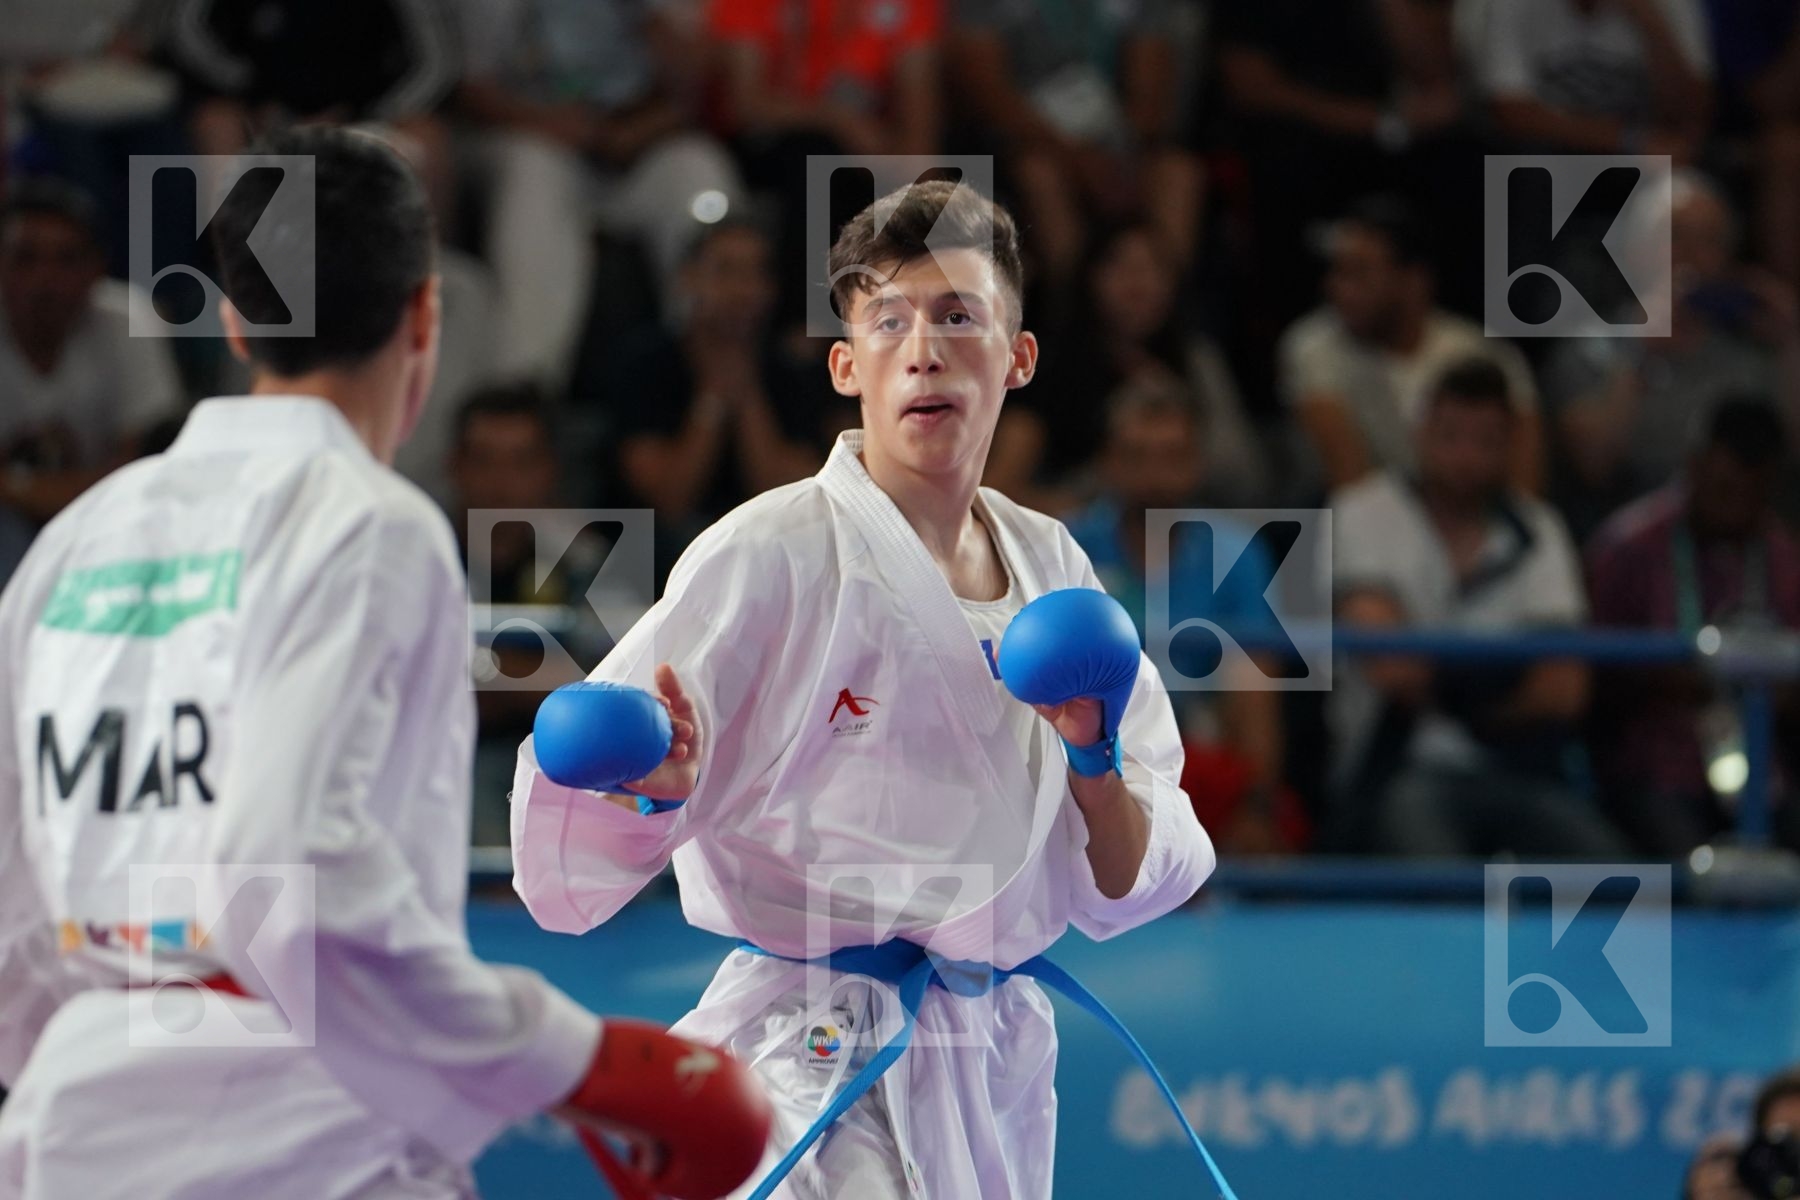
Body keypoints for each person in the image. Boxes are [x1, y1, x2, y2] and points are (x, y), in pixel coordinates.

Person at [0, 126, 768, 1200]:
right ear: (424, 315)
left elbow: (13, 901)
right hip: (304, 1122)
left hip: (73, 1115)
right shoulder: (366, 525)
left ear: (235, 318)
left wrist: (74, 1080)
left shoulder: (77, 542)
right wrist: (573, 1061)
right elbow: (285, 861)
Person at [510, 180, 1218, 1197]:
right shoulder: (771, 554)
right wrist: (652, 790)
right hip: (812, 1051)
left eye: (958, 316)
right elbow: (569, 862)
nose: (922, 349)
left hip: (990, 1060)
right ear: (848, 367)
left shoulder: (1054, 563)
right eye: (889, 321)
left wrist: (1095, 762)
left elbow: (1133, 879)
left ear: (1018, 358)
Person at [1328, 356, 1626, 857]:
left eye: (1484, 441)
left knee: (1616, 880)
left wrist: (1451, 686)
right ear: (1420, 432)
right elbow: (1395, 669)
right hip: (1399, 772)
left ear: (1509, 446)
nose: (1464, 456)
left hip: (1522, 772)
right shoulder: (1361, 512)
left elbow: (1564, 689)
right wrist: (1507, 669)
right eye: (1450, 436)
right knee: (1447, 895)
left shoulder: (1540, 529)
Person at [1063, 375, 1300, 855]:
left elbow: (1255, 686)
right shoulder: (1066, 547)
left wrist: (1253, 800)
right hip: (1092, 757)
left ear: (1196, 463)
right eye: (1137, 457)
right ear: (1109, 461)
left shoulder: (1236, 553)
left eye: (1171, 457)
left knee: (1262, 827)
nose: (1154, 474)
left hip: (1200, 758)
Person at [455, 0, 745, 386]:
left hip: (636, 142)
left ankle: (711, 375)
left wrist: (648, 19)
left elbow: (696, 82)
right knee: (534, 175)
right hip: (533, 137)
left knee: (700, 173)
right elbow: (468, 88)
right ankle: (525, 386)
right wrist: (551, 124)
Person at [1586, 399, 1800, 856]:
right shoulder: (1628, 548)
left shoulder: (1783, 558)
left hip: (1762, 767)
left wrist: (1767, 688)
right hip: (1652, 767)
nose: (1736, 509)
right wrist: (1670, 680)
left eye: (1752, 495)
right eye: (1724, 490)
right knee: (1691, 867)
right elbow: (1592, 678)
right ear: (1695, 466)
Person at [1546, 171, 1800, 541]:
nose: (1692, 255)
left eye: (1709, 240)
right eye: (1675, 236)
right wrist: (1642, 352)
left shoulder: (1754, 354)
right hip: (1628, 547)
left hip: (1741, 542)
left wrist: (1792, 344)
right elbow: (1594, 464)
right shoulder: (1587, 350)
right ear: (1634, 252)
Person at [986, 220, 1267, 513]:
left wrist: (1176, 407)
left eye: (1153, 268)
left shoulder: (1197, 360)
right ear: (1090, 277)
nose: (1138, 283)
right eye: (1120, 266)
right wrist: (1093, 510)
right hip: (1077, 535)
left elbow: (1245, 480)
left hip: (1186, 531)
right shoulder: (1048, 367)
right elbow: (997, 490)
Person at [1278, 196, 1542, 501]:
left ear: (1414, 281)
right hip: (1358, 525)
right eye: (1336, 271)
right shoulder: (1311, 346)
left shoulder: (1484, 354)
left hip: (1474, 521)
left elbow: (1524, 493)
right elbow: (1351, 488)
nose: (1337, 288)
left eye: (1359, 273)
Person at [609, 219, 831, 580]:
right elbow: (670, 500)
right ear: (688, 278)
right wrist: (712, 398)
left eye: (756, 272)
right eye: (725, 270)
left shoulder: (792, 373)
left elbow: (787, 497)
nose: (743, 289)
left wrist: (746, 397)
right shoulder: (645, 363)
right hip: (654, 563)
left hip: (767, 556)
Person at [0, 178, 183, 579]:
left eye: (66, 259)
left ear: (97, 267)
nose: (44, 280)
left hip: (109, 518)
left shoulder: (130, 320)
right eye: (25, 258)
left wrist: (17, 488)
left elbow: (143, 471)